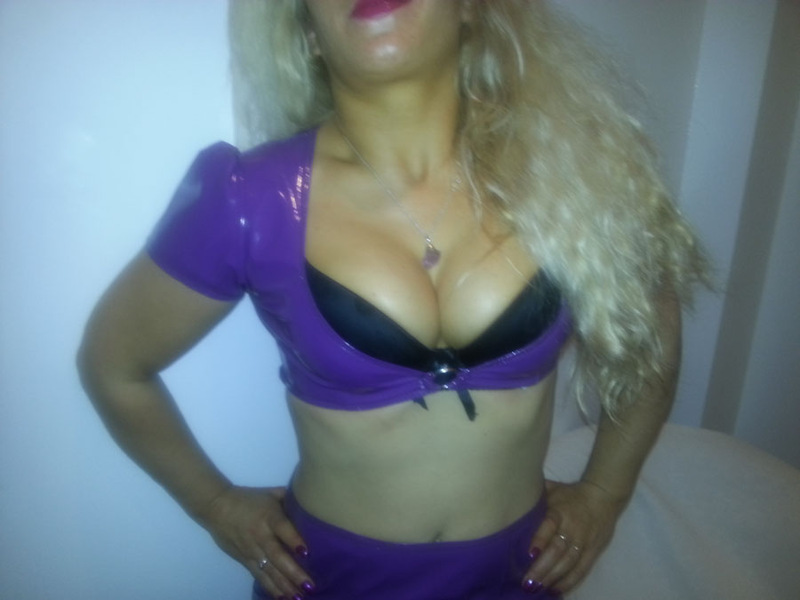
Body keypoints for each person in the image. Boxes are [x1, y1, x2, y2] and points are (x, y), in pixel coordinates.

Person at [78, 1, 709, 598]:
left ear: (471, 6)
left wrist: (604, 495)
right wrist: (215, 505)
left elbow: (649, 350)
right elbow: (113, 366)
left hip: (520, 577)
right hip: (332, 580)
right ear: (308, 33)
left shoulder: (572, 176)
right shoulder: (249, 197)